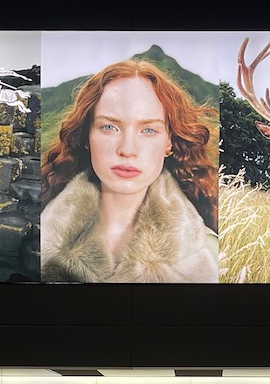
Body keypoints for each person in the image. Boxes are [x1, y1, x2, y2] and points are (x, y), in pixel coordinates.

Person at [40, 59, 218, 283]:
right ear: (86, 136)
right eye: (109, 127)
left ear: (169, 143)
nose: (127, 149)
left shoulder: (210, 253)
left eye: (149, 130)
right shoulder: (38, 234)